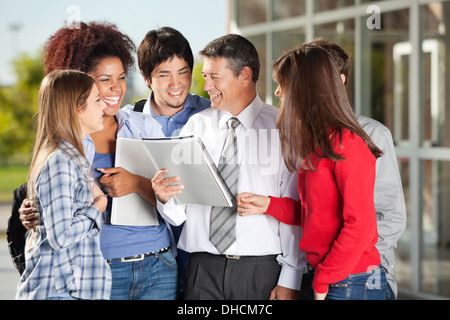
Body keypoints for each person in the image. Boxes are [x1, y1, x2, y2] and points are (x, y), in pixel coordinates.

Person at [19, 22, 178, 300]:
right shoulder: (70, 144)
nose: (116, 88)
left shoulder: (144, 127)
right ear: (79, 84)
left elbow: (177, 202)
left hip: (157, 263)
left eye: (121, 77)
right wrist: (38, 212)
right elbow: (59, 217)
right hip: (98, 269)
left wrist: (138, 184)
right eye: (104, 80)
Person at [152, 34, 305, 300]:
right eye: (205, 75)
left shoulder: (283, 129)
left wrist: (291, 277)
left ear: (245, 75)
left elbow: (294, 211)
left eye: (214, 77)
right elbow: (178, 214)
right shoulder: (196, 127)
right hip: (201, 270)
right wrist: (165, 198)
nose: (205, 84)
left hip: (262, 272)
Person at [237, 44, 387, 300]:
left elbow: (360, 227)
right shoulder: (316, 144)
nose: (276, 91)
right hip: (328, 276)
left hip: (348, 282)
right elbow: (315, 214)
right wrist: (268, 205)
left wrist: (323, 281)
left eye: (282, 84)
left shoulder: (346, 143)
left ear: (304, 89)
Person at [311, 38, 406, 300]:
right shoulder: (306, 137)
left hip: (361, 277)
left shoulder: (371, 134)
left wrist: (352, 261)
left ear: (339, 80)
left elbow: (391, 216)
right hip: (316, 271)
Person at [122, 27, 210, 295]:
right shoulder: (128, 120)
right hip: (152, 253)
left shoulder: (212, 114)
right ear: (147, 78)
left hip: (200, 249)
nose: (176, 84)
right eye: (164, 74)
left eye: (183, 72)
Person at [16, 70, 110, 300]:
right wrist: (98, 207)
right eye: (97, 100)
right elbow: (62, 236)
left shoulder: (72, 158)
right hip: (62, 293)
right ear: (77, 108)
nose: (104, 107)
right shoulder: (61, 162)